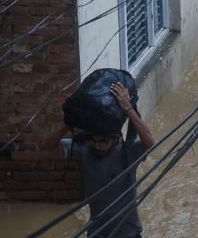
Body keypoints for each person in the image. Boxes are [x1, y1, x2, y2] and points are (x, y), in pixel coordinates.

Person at [52, 83, 155, 238]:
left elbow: (150, 142)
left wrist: (128, 108)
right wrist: (68, 123)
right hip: (97, 234)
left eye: (104, 141)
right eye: (94, 140)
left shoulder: (127, 153)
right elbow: (47, 147)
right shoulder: (83, 150)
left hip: (128, 234)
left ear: (117, 139)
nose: (99, 146)